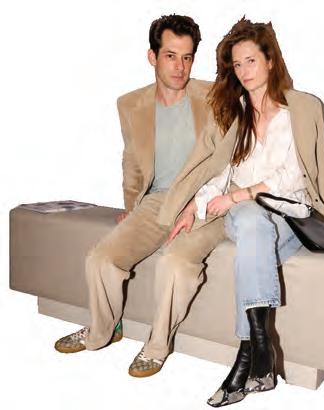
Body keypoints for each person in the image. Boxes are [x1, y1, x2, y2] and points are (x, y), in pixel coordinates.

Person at [168, 18, 324, 407]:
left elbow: (293, 175)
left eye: (251, 61)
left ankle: (248, 355)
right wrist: (194, 207)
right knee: (249, 220)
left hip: (290, 217)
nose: (244, 71)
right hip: (247, 215)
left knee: (251, 233)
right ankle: (262, 347)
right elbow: (220, 173)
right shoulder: (237, 113)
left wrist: (240, 194)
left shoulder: (299, 109)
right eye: (237, 64)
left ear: (270, 61)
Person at [54, 14, 229, 379]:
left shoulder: (215, 98)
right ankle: (103, 330)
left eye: (187, 57)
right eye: (170, 56)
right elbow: (133, 161)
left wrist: (200, 204)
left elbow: (230, 158)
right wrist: (132, 207)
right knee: (101, 259)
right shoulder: (130, 104)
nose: (180, 67)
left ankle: (157, 347)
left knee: (175, 264)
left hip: (204, 202)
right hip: (156, 202)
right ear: (152, 56)